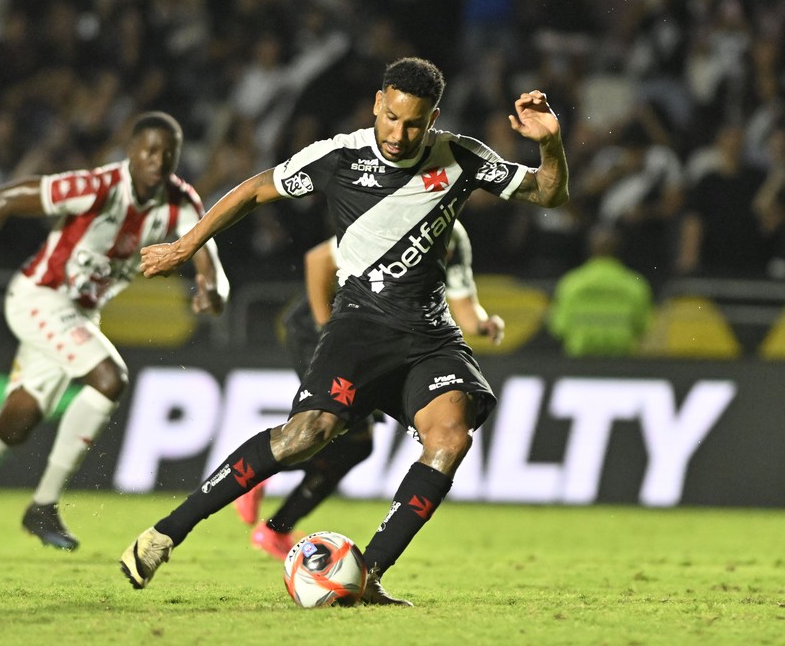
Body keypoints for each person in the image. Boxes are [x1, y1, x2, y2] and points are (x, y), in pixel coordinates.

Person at [123, 57, 568, 605]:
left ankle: (366, 577)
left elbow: (547, 194)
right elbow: (256, 190)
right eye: (392, 119)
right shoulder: (339, 155)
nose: (400, 134)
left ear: (433, 120)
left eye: (415, 124)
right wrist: (186, 245)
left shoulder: (461, 156)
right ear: (378, 105)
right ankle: (166, 531)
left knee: (451, 439)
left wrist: (549, 144)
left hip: (430, 335)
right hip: (359, 326)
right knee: (304, 437)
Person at [0, 111, 228, 554]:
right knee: (110, 378)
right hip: (40, 297)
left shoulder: (181, 203)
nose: (158, 161)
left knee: (17, 422)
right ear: (130, 150)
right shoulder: (97, 188)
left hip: (79, 316)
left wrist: (211, 293)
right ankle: (43, 505)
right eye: (149, 150)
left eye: (168, 153)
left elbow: (211, 267)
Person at [235, 221, 506, 561]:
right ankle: (267, 484)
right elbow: (318, 260)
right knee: (345, 434)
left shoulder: (455, 236)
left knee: (356, 446)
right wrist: (328, 333)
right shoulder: (404, 213)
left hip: (372, 340)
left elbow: (464, 304)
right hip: (322, 330)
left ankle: (274, 524)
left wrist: (483, 324)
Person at [547, 225, 653, 357]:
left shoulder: (572, 283)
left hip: (579, 362)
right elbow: (643, 327)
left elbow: (559, 327)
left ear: (590, 248)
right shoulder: (635, 285)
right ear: (619, 249)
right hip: (622, 363)